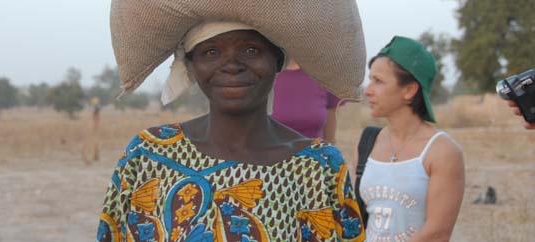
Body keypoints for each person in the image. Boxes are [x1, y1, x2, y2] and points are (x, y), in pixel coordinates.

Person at [97, 23, 365, 241]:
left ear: (277, 61)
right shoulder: (149, 154)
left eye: (251, 50)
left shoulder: (319, 166)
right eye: (211, 52)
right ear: (192, 67)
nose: (232, 65)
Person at [357, 36, 465, 242]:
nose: (368, 91)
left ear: (409, 90)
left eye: (378, 81)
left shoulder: (442, 151)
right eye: (370, 79)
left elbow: (438, 233)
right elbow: (358, 217)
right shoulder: (367, 142)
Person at [272, 58, 344, 142]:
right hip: (270, 154)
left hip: (315, 153)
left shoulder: (325, 76)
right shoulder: (265, 73)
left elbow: (329, 139)